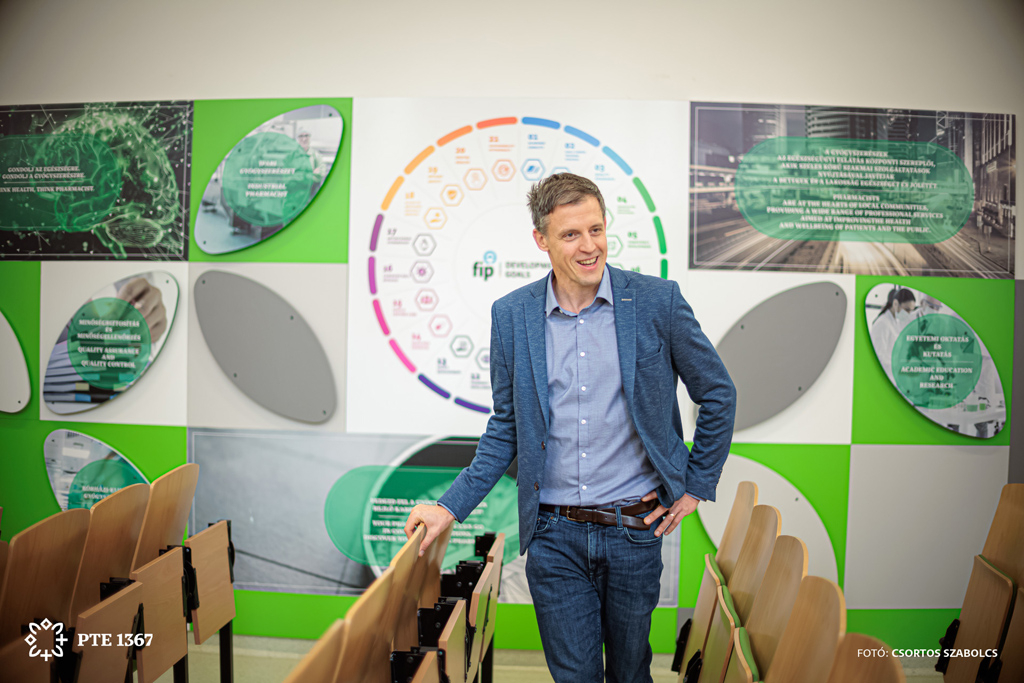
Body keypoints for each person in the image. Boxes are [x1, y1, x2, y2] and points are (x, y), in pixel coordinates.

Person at [404, 173, 736, 683]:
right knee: (575, 678)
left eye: (596, 230)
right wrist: (448, 508)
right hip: (553, 536)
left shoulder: (656, 301)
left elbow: (717, 392)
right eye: (571, 235)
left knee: (630, 674)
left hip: (634, 531)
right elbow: (506, 428)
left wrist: (695, 486)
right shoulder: (512, 315)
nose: (589, 246)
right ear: (541, 240)